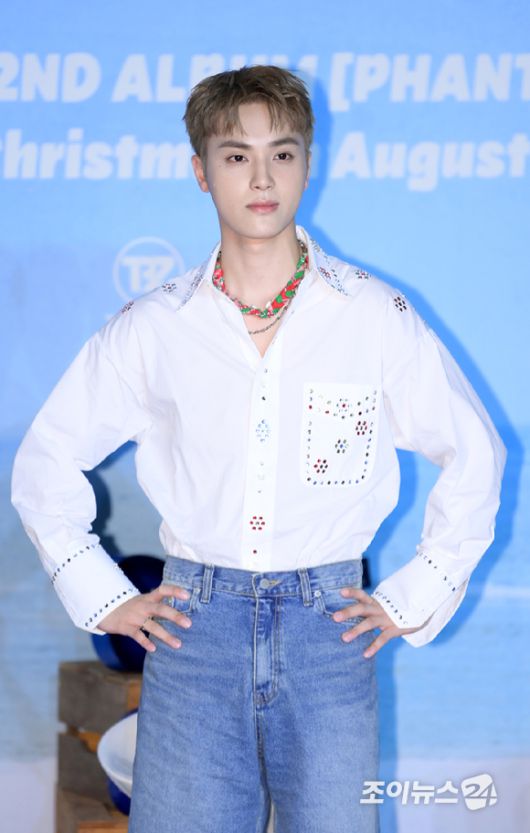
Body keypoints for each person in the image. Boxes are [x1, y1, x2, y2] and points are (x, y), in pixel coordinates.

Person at [11, 65, 506, 833]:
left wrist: (416, 593)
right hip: (193, 634)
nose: (262, 177)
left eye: (283, 152)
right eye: (237, 155)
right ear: (201, 171)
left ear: (308, 163)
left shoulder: (372, 315)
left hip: (328, 631)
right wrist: (104, 594)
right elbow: (44, 462)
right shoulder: (156, 325)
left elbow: (475, 452)